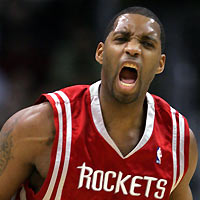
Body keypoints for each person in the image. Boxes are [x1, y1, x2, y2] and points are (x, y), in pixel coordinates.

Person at [0, 6, 198, 200]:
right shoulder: (39, 127)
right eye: (121, 39)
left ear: (160, 64)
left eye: (147, 44)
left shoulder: (178, 142)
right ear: (100, 53)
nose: (133, 49)